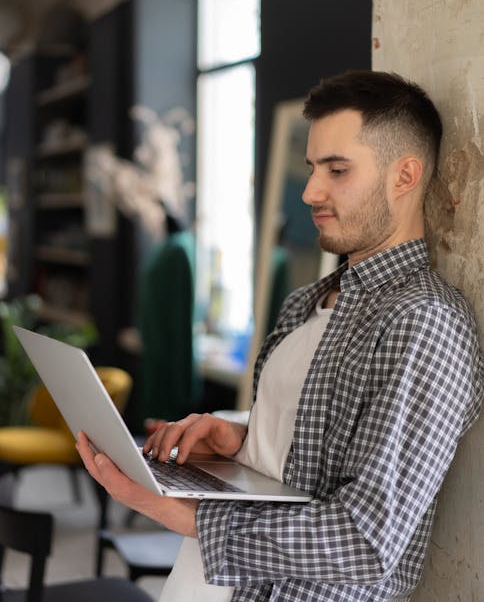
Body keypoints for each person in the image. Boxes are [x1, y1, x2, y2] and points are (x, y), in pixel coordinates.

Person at [77, 70, 484, 602]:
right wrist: (242, 439)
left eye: (338, 169)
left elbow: (367, 541)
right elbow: (312, 449)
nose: (311, 190)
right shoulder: (305, 301)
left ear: (405, 176)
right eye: (313, 167)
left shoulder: (425, 322)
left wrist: (173, 511)